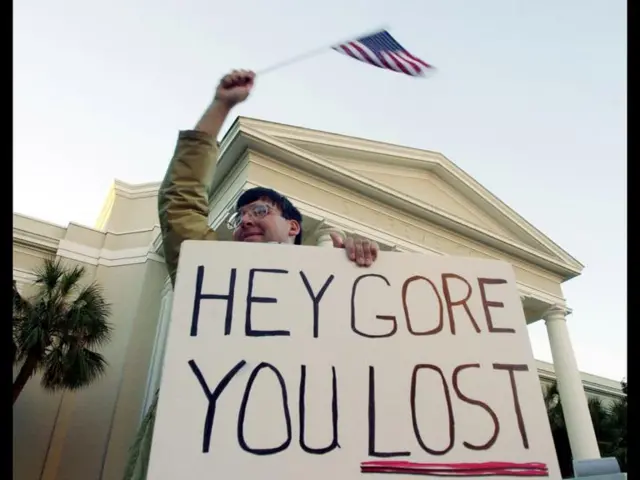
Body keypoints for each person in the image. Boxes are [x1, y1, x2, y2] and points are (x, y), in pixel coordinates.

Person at [123, 70, 379, 480]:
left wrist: (355, 262)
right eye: (240, 216)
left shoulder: (335, 275)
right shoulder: (207, 266)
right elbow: (181, 198)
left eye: (260, 211)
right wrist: (220, 106)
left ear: (294, 227)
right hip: (196, 447)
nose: (245, 221)